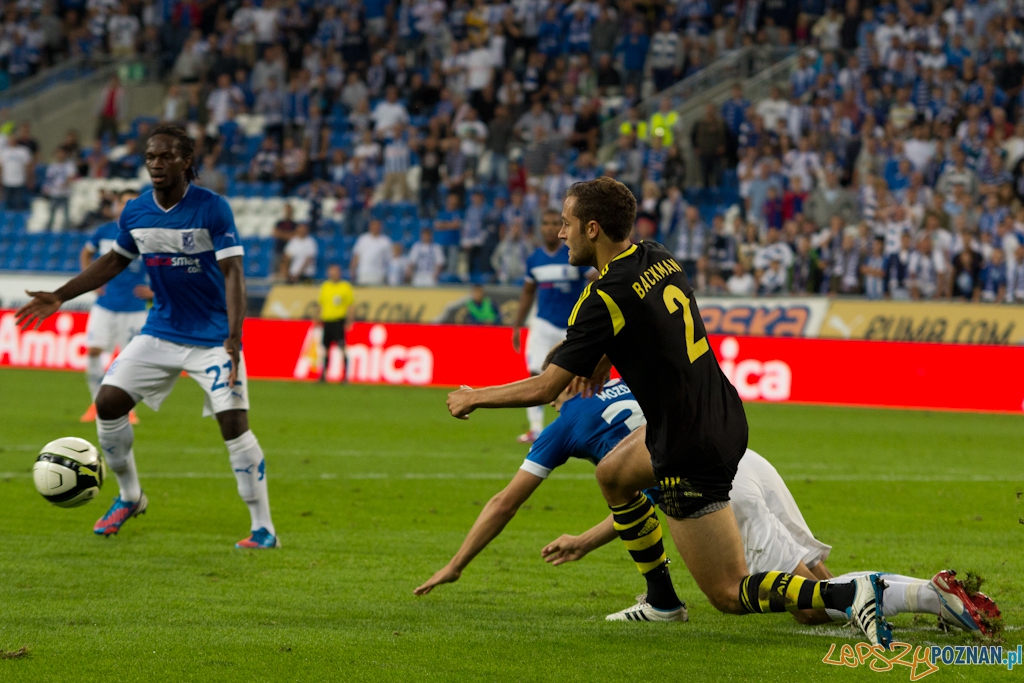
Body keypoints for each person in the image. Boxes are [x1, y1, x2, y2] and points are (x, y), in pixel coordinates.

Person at [444, 178, 890, 647]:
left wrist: (474, 397)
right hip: (724, 412)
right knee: (613, 475)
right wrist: (604, 358)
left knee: (729, 593)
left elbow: (546, 386)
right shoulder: (658, 255)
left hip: (686, 443)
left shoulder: (602, 299)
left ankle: (848, 594)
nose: (560, 233)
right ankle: (661, 600)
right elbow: (651, 321)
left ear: (592, 229)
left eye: (567, 223)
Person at [420, 370, 1001, 637]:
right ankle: (936, 595)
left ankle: (930, 595)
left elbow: (504, 503)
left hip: (713, 490)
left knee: (803, 605)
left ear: (565, 383)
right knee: (814, 578)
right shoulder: (638, 382)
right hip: (744, 458)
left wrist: (456, 565)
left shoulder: (566, 422)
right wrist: (588, 539)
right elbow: (645, 492)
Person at [15, 124, 279, 550]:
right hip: (161, 331)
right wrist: (61, 295)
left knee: (233, 425)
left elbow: (234, 273)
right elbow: (113, 261)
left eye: (166, 156)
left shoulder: (212, 208)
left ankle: (263, 527)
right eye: (151, 156)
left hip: (213, 337)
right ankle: (130, 496)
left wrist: (234, 335)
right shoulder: (136, 211)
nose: (156, 163)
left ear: (186, 162)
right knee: (108, 403)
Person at [510, 208, 590, 444]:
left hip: (570, 328)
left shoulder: (575, 254)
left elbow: (596, 280)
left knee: (574, 380)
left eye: (556, 223)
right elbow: (527, 292)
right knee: (536, 372)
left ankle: (576, 427)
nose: (550, 227)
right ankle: (535, 429)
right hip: (542, 324)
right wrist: (517, 325)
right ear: (540, 227)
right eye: (546, 223)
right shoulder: (534, 259)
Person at [79, 189, 152, 423]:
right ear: (117, 206)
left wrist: (154, 292)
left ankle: (127, 408)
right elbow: (86, 253)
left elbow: (165, 267)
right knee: (93, 350)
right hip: (105, 305)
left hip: (134, 308)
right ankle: (96, 403)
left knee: (131, 360)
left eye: (133, 203)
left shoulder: (148, 236)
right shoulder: (104, 232)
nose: (127, 207)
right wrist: (90, 279)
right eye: (124, 202)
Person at [317, 264, 354, 383]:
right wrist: (317, 318)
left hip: (338, 321)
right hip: (327, 321)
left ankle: (346, 376)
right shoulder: (325, 286)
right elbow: (321, 304)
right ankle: (323, 375)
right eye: (331, 272)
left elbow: (350, 305)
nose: (333, 274)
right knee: (325, 349)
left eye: (335, 272)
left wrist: (349, 321)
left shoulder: (345, 287)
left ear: (339, 273)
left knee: (342, 348)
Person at [43, 147, 78, 230]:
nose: (60, 155)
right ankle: (48, 231)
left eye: (62, 153)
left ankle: (66, 231)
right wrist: (47, 189)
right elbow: (49, 180)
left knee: (66, 215)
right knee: (51, 214)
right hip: (54, 193)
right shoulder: (52, 167)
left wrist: (65, 184)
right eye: (59, 153)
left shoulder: (69, 166)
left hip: (65, 193)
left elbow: (71, 177)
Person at [350, 219, 392, 286]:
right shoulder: (363, 239)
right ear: (370, 226)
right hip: (363, 272)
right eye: (374, 225)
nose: (375, 227)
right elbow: (356, 256)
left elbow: (389, 259)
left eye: (377, 225)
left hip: (378, 274)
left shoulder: (385, 241)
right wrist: (353, 270)